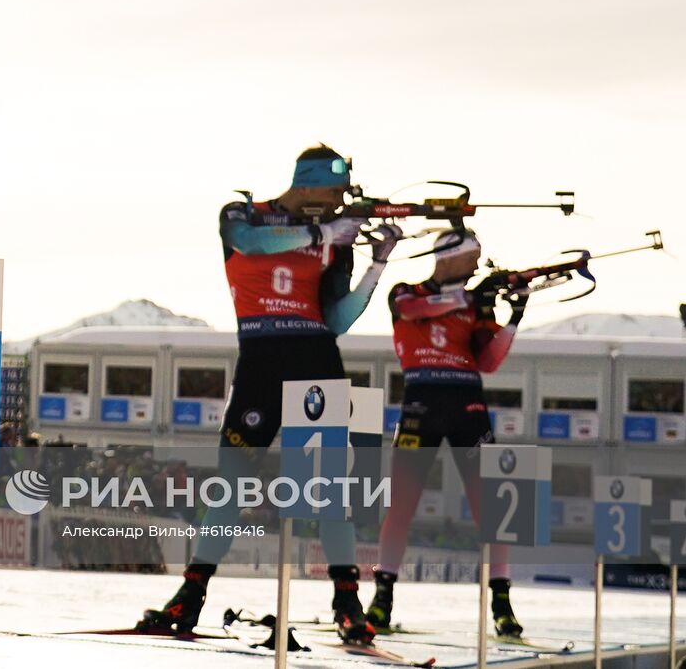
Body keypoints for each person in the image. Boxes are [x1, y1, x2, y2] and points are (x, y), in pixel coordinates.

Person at [141, 145, 401, 644]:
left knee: (327, 491)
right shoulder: (246, 214)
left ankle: (347, 602)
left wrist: (377, 263)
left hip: (315, 361)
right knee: (231, 483)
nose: (336, 202)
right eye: (331, 192)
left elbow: (337, 320)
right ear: (306, 184)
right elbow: (246, 243)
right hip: (260, 361)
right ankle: (191, 594)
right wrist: (320, 232)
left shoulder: (336, 238)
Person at [366, 230, 526, 636]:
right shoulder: (406, 291)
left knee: (493, 509)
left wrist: (512, 319)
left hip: (468, 404)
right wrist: (467, 299)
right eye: (473, 257)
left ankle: (502, 604)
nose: (476, 266)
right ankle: (382, 598)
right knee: (401, 504)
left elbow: (489, 362)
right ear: (450, 256)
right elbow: (416, 310)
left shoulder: (475, 304)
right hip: (423, 402)